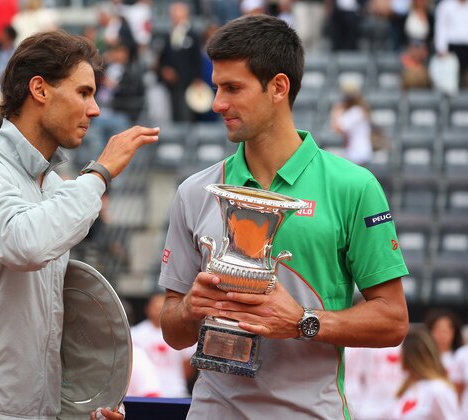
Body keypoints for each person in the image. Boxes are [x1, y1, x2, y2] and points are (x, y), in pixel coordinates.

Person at [158, 15, 409, 419]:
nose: (218, 103)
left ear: (278, 87)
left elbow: (393, 321)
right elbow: (173, 331)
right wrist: (190, 308)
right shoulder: (194, 191)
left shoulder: (354, 186)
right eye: (216, 87)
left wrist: (303, 322)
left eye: (232, 88)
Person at [0, 30, 159, 420]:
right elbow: (24, 244)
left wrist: (81, 406)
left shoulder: (56, 187)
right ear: (39, 89)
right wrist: (100, 174)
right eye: (83, 92)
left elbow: (45, 326)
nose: (94, 110)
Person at [131, 292, 195, 398]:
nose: (158, 310)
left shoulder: (181, 333)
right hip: (145, 392)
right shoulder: (135, 334)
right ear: (148, 308)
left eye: (162, 307)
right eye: (155, 307)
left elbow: (188, 365)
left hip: (176, 391)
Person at [390, 327, 460, 419]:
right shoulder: (408, 387)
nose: (400, 356)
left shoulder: (438, 389)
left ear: (411, 357)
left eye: (402, 351)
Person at [330, 84, 374, 166]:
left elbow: (338, 128)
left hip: (358, 154)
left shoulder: (356, 111)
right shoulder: (358, 110)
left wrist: (336, 112)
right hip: (355, 153)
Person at [424, 308, 464, 372]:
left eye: (445, 331)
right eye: (438, 331)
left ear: (455, 332)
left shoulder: (462, 356)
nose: (441, 336)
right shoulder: (422, 357)